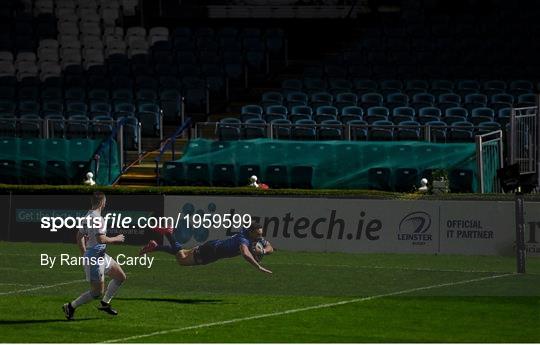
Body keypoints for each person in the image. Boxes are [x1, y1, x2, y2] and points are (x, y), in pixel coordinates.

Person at [62, 192, 126, 320]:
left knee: (120, 277)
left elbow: (79, 236)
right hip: (95, 258)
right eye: (105, 202)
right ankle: (70, 306)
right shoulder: (97, 218)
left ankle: (105, 303)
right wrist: (117, 238)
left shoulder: (87, 216)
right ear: (102, 202)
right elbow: (101, 239)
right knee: (97, 292)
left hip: (100, 255)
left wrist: (84, 253)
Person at [139, 223, 273, 274]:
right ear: (251, 232)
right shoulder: (243, 239)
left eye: (261, 234)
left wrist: (263, 251)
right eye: (258, 234)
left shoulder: (252, 237)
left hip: (213, 247)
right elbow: (245, 253)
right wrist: (258, 267)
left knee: (184, 252)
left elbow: (270, 247)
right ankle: (169, 233)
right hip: (212, 252)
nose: (260, 237)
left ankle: (155, 247)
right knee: (182, 259)